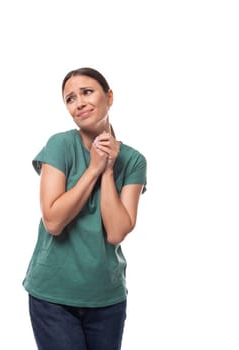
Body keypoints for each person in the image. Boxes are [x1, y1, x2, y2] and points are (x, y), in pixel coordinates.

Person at [22, 67, 147, 350]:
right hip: (53, 296)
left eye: (87, 92)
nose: (79, 103)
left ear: (109, 96)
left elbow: (116, 231)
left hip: (107, 298)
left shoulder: (134, 161)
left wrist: (108, 169)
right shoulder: (60, 145)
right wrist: (93, 169)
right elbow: (53, 221)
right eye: (70, 98)